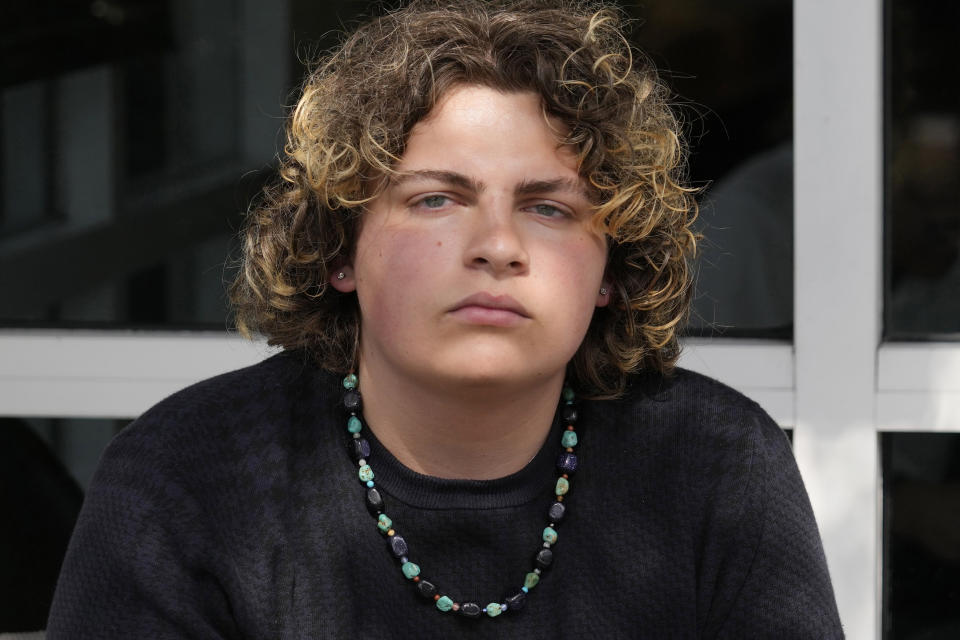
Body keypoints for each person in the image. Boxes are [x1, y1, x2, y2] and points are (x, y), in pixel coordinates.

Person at [47, 1, 843, 637]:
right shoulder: (186, 479)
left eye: (549, 208)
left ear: (613, 270)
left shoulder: (715, 465)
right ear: (339, 251)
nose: (497, 246)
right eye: (436, 198)